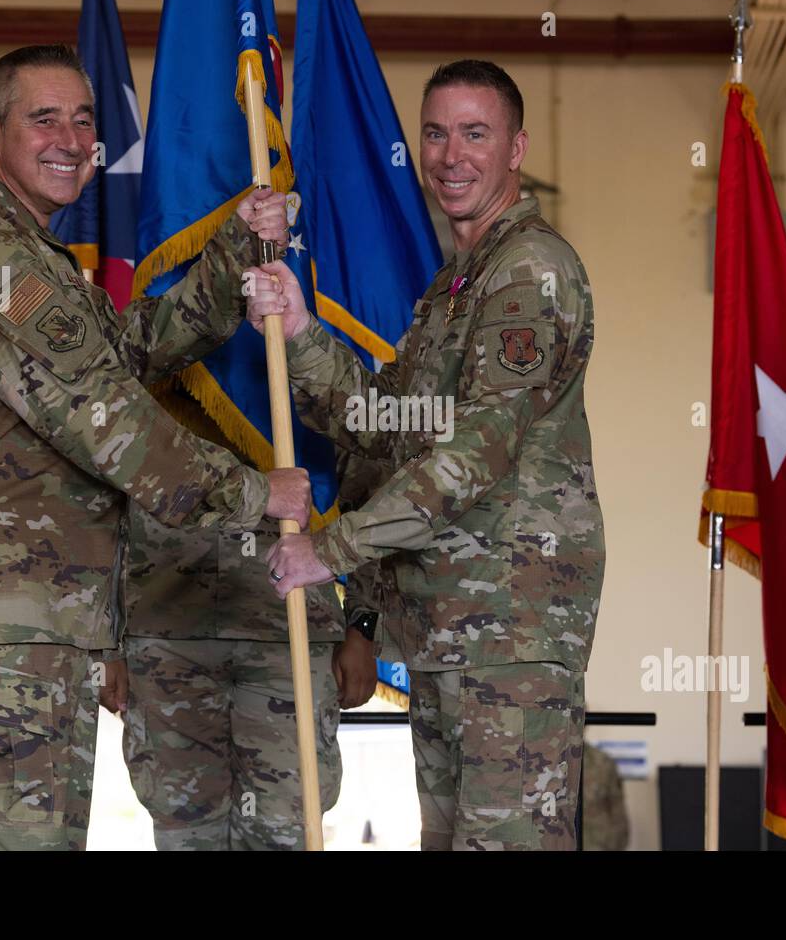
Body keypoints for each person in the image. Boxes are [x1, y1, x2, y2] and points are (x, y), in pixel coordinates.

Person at [0, 44, 306, 850]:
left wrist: (238, 249)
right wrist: (257, 493)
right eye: (44, 119)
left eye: (83, 119)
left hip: (25, 627)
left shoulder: (29, 256)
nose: (70, 138)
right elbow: (105, 415)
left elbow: (119, 357)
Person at [246, 60, 605, 850]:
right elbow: (381, 423)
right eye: (436, 134)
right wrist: (304, 333)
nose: (452, 156)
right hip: (449, 633)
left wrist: (329, 553)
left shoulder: (529, 270)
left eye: (476, 134)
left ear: (517, 148)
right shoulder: (455, 286)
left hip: (510, 634)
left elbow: (478, 449)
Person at [97, 389, 376, 849]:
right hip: (166, 630)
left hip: (291, 634)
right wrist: (104, 642)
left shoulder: (311, 360)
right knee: (185, 827)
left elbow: (363, 494)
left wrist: (363, 626)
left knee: (287, 828)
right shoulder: (147, 356)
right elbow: (103, 501)